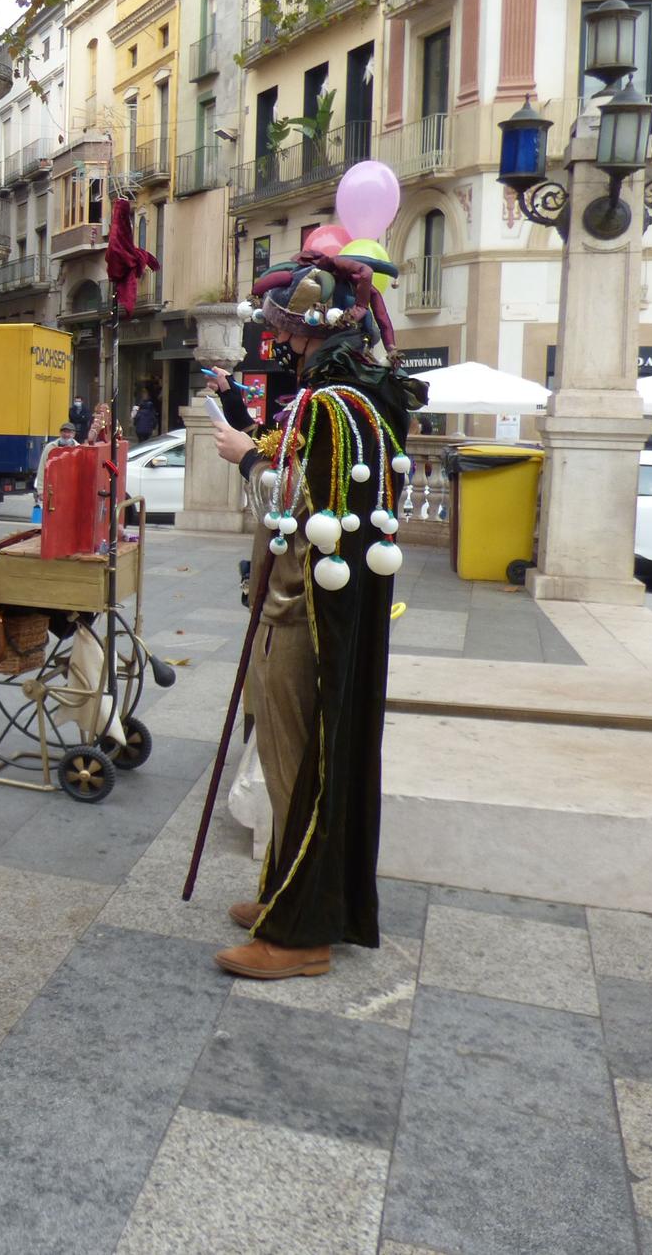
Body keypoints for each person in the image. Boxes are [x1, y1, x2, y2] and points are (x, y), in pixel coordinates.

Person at [202, 248, 423, 981]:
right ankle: (288, 889)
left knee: (301, 758)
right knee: (291, 755)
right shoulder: (360, 399)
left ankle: (302, 933)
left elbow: (295, 503)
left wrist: (243, 457)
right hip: (317, 598)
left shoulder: (333, 405)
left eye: (285, 337)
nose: (278, 348)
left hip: (307, 608)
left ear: (312, 335)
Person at [33, 420, 79, 496]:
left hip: (71, 489)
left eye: (69, 432)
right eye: (64, 432)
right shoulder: (50, 447)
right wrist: (40, 490)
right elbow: (42, 468)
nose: (66, 434)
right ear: (60, 433)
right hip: (53, 488)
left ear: (74, 434)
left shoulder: (79, 449)